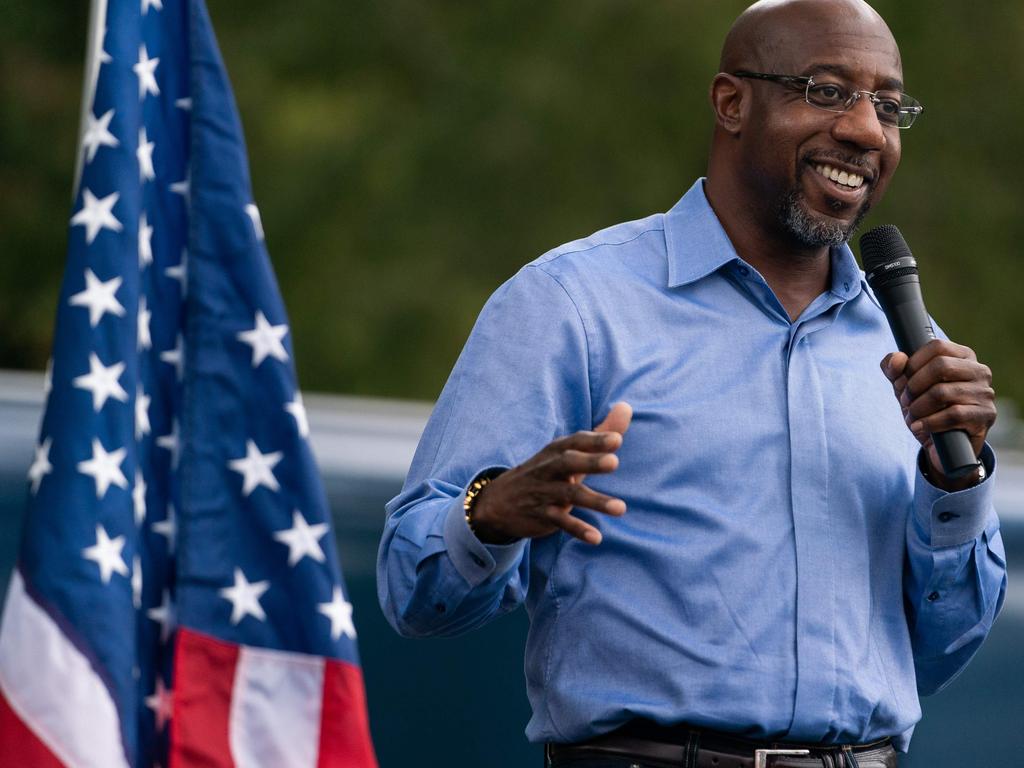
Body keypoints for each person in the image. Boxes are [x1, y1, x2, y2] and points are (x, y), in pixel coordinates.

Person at [376, 1, 1007, 765]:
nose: (867, 132)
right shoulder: (574, 305)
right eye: (828, 90)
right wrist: (491, 513)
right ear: (731, 102)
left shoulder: (914, 350)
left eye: (887, 105)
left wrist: (952, 480)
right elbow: (411, 593)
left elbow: (941, 652)